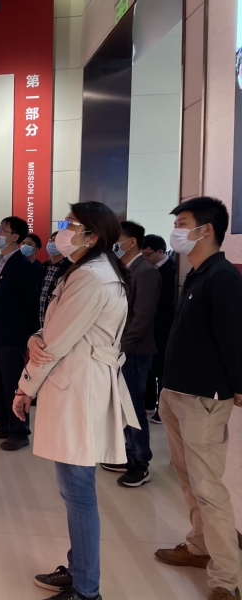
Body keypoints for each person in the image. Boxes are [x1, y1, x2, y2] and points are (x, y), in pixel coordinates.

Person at [12, 202, 139, 600]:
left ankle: (86, 589)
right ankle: (80, 569)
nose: (63, 231)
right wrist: (36, 336)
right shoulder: (91, 271)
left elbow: (54, 343)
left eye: (71, 224)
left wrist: (24, 389)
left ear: (93, 235)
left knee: (78, 493)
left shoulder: (91, 277)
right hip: (80, 384)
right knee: (74, 491)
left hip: (78, 390)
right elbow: (54, 330)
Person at [154, 197, 242, 600]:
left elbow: (234, 337)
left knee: (208, 486)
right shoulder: (196, 274)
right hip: (176, 391)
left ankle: (226, 580)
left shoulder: (222, 277)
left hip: (204, 398)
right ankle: (199, 545)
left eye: (183, 223)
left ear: (205, 230)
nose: (177, 231)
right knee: (187, 477)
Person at [100, 221, 161, 487]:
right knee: (122, 407)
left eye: (117, 239)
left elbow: (141, 319)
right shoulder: (124, 269)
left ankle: (140, 462)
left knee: (133, 407)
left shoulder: (145, 272)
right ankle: (126, 454)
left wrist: (121, 346)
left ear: (131, 241)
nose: (114, 244)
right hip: (117, 350)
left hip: (133, 352)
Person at [0, 216, 40, 451]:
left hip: (13, 336)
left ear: (15, 237)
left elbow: (30, 304)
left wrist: (31, 336)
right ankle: (3, 423)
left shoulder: (22, 265)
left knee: (13, 384)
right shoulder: (1, 262)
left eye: (3, 230)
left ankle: (19, 431)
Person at [141, 234, 176, 424]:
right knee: (150, 366)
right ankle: (148, 403)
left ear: (160, 251)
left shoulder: (172, 270)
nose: (145, 258)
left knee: (162, 368)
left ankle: (161, 410)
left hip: (164, 326)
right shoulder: (150, 269)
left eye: (148, 254)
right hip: (150, 326)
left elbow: (167, 302)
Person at [39, 231, 71, 326]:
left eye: (55, 240)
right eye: (50, 240)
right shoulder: (42, 267)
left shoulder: (70, 269)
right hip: (38, 321)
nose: (51, 243)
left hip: (57, 321)